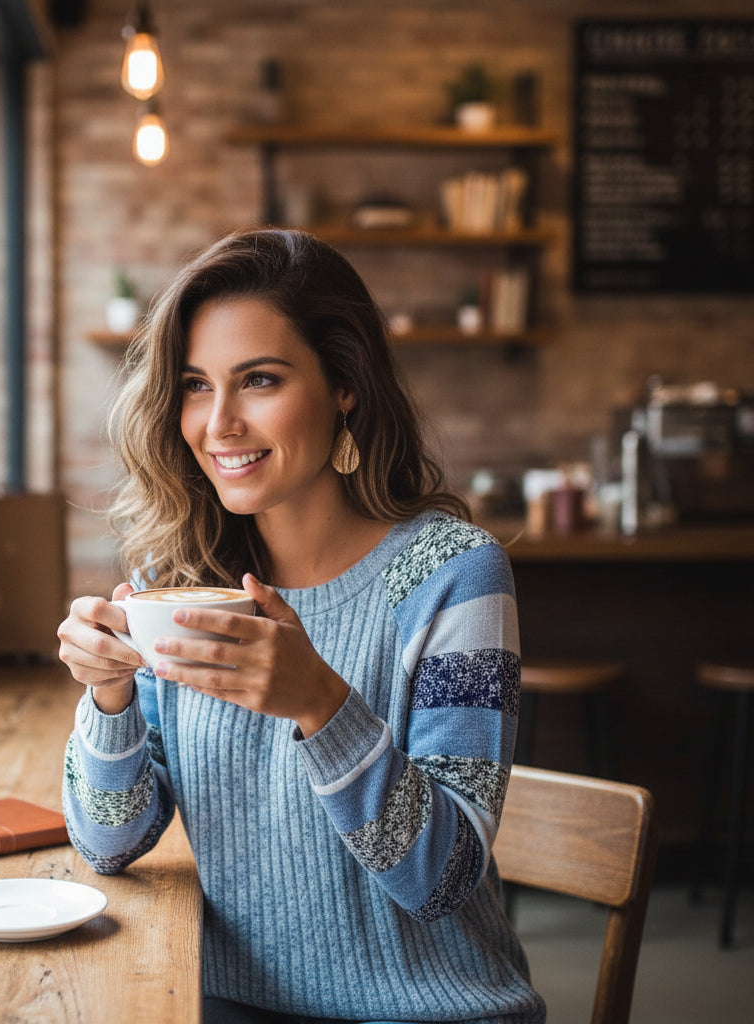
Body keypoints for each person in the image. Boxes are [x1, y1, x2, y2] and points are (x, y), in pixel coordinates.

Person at [58, 228, 544, 1024]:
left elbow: (443, 878)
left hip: (434, 1012)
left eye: (258, 380)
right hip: (229, 1006)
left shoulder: (454, 575)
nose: (219, 424)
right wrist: (108, 698)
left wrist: (321, 704)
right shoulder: (176, 583)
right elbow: (109, 843)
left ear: (344, 384)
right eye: (193, 385)